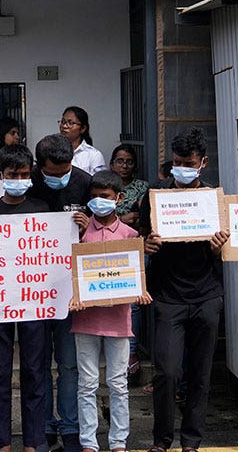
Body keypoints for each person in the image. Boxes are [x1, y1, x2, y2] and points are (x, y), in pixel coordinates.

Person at [144, 128, 229, 452]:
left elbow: (226, 253)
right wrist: (147, 245)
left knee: (200, 374)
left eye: (189, 163)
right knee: (166, 372)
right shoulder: (155, 195)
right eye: (177, 162)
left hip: (206, 295)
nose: (182, 169)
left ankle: (191, 441)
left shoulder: (214, 200)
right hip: (168, 297)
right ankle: (161, 441)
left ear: (203, 163)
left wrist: (219, 247)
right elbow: (139, 237)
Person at [70, 171, 150, 452]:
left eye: (104, 197)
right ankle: (88, 443)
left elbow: (136, 274)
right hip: (85, 319)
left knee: (118, 384)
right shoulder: (78, 232)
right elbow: (68, 271)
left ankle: (118, 442)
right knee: (87, 384)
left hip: (118, 319)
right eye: (93, 197)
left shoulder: (130, 235)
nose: (97, 202)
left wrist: (140, 290)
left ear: (120, 198)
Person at [0, 144, 51, 452]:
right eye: (13, 174)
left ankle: (34, 441)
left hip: (34, 302)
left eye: (24, 174)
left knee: (35, 371)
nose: (19, 179)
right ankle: (2, 441)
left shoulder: (41, 210)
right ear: (0, 175)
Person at [30, 133, 93, 452]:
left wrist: (87, 227)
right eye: (53, 173)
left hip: (70, 291)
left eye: (64, 171)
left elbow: (104, 229)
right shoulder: (25, 181)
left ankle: (70, 427)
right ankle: (43, 426)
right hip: (33, 291)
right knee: (37, 363)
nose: (60, 178)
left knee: (69, 364)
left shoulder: (84, 182)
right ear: (39, 167)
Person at [110, 143, 149, 376]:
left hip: (134, 246)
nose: (124, 165)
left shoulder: (142, 186)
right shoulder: (104, 183)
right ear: (112, 163)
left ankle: (131, 352)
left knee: (133, 301)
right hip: (108, 247)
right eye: (120, 161)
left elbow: (143, 216)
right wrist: (122, 218)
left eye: (129, 161)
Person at [60, 107, 107, 175]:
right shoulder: (52, 151)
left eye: (70, 123)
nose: (64, 126)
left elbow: (99, 183)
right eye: (63, 122)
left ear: (83, 128)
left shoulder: (94, 155)